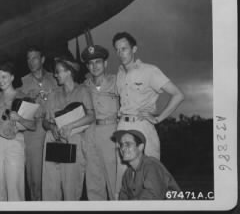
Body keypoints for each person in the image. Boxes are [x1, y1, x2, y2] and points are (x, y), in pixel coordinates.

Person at [112, 31, 184, 197]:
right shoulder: (120, 74)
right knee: (122, 183)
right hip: (123, 127)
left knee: (151, 181)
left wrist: (158, 118)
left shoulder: (150, 71)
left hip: (143, 127)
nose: (120, 53)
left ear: (134, 49)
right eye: (117, 49)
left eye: (124, 48)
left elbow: (178, 94)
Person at [42, 56, 95, 200]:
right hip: (54, 140)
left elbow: (91, 116)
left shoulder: (83, 91)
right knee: (51, 187)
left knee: (71, 188)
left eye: (58, 72)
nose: (55, 75)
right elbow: (45, 122)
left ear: (69, 72)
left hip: (74, 141)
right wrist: (52, 127)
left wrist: (71, 126)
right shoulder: (54, 94)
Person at [0, 61, 36, 201]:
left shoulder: (23, 96)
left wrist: (19, 118)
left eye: (4, 77)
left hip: (15, 141)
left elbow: (33, 125)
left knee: (14, 184)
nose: (0, 81)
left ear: (12, 77)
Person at [81, 45, 119, 200]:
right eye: (91, 63)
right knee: (94, 182)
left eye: (98, 62)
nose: (94, 66)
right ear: (87, 66)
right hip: (90, 133)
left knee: (115, 180)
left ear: (105, 64)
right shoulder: (83, 87)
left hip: (110, 132)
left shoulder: (116, 82)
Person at [20, 46, 58, 201]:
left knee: (54, 178)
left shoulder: (55, 78)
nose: (31, 62)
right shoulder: (22, 82)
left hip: (52, 131)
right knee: (35, 180)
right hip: (33, 133)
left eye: (34, 58)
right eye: (28, 58)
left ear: (42, 59)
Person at [113, 129, 181, 200]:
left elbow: (151, 198)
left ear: (140, 147)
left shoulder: (151, 165)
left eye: (128, 144)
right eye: (121, 144)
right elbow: (123, 198)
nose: (123, 148)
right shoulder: (128, 173)